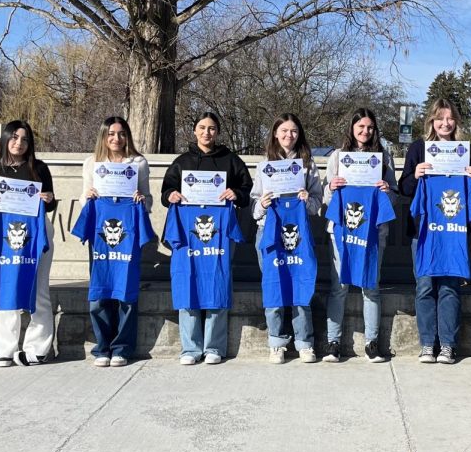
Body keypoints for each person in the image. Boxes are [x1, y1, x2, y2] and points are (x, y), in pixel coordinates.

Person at [161, 111, 252, 365]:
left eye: (212, 128)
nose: (206, 133)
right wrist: (171, 195)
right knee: (187, 285)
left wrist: (236, 193)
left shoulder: (231, 160)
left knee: (217, 283)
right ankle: (190, 348)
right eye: (202, 128)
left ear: (218, 132)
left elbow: (247, 189)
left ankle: (214, 346)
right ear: (194, 131)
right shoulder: (181, 162)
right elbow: (166, 190)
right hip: (188, 234)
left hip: (221, 234)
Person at [398, 98, 471, 364]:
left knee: (450, 286)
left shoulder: (466, 151)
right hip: (423, 231)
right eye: (440, 118)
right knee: (424, 287)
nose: (445, 123)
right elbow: (405, 188)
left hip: (453, 229)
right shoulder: (419, 148)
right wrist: (416, 174)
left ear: (456, 122)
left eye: (450, 118)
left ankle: (447, 345)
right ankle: (426, 344)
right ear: (431, 121)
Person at [0, 120, 56, 367]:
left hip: (36, 235)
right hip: (4, 237)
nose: (19, 143)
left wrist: (49, 198)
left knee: (38, 288)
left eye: (25, 139)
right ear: (5, 139)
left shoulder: (38, 168)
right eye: (14, 138)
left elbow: (51, 204)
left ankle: (37, 349)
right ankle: (4, 350)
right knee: (6, 287)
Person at [322, 108, 397, 363]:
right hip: (342, 230)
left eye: (370, 127)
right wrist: (331, 188)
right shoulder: (337, 157)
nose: (365, 132)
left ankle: (372, 342)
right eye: (361, 127)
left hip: (374, 232)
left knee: (370, 287)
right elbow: (325, 196)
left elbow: (394, 196)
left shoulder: (384, 157)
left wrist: (387, 190)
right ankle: (333, 342)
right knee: (339, 287)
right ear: (352, 128)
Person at [78, 117, 152, 367]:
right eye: (111, 134)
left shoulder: (138, 163)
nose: (116, 139)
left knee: (126, 292)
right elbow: (83, 200)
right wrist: (87, 196)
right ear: (103, 136)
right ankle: (102, 347)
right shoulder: (92, 163)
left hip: (127, 234)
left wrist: (142, 199)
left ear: (127, 136)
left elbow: (148, 200)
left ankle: (122, 347)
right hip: (100, 236)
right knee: (100, 292)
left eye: (121, 134)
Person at [250, 114, 323, 364]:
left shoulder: (307, 164)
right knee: (274, 286)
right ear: (275, 133)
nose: (288, 135)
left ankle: (304, 341)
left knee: (301, 285)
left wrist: (306, 199)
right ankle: (277, 342)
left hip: (298, 236)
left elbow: (316, 205)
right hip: (269, 233)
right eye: (283, 130)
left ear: (299, 134)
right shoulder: (265, 164)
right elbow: (254, 209)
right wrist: (262, 203)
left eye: (293, 131)